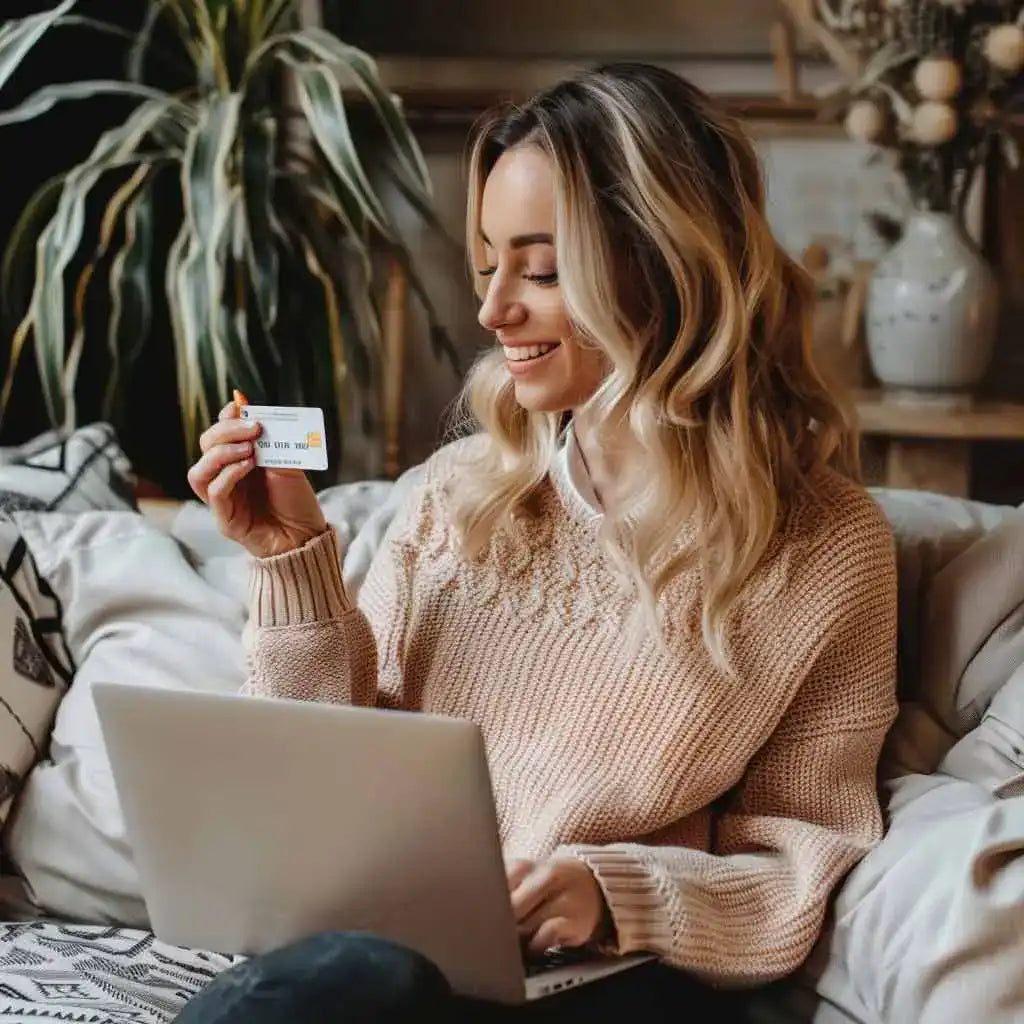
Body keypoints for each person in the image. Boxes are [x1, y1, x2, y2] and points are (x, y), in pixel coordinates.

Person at [179, 62, 898, 1023]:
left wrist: (612, 894)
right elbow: (325, 783)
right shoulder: (453, 498)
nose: (492, 310)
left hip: (609, 981)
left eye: (544, 269)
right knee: (350, 980)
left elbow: (801, 851)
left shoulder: (826, 548)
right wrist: (293, 562)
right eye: (489, 265)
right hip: (387, 959)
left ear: (667, 263)